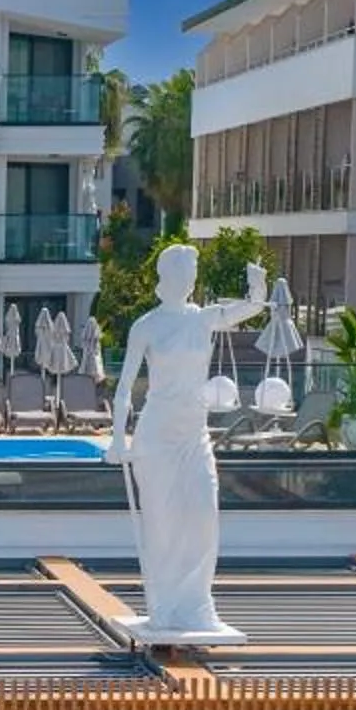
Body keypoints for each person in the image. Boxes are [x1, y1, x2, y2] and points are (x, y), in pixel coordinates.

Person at [110, 243, 260, 638]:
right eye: (187, 271)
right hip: (157, 436)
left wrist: (258, 293)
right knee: (162, 523)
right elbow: (124, 388)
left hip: (194, 433)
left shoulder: (203, 319)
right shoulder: (146, 326)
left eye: (194, 272)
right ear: (169, 275)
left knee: (204, 515)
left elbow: (242, 310)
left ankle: (196, 606)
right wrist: (116, 438)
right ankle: (165, 606)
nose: (192, 279)